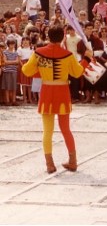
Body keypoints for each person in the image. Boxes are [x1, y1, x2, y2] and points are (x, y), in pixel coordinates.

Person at [22, 25, 91, 174]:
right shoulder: (67, 54)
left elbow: (26, 70)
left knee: (47, 131)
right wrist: (87, 59)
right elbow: (78, 72)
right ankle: (73, 161)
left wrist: (41, 70)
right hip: (62, 93)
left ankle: (49, 164)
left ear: (48, 36)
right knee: (66, 129)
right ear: (63, 37)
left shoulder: (38, 53)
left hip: (47, 92)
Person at [2, 38, 20, 106]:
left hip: (14, 71)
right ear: (8, 45)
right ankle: (7, 100)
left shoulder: (16, 53)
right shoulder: (5, 52)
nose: (12, 45)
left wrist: (10, 62)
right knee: (7, 86)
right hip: (7, 71)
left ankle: (13, 100)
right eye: (11, 44)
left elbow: (17, 61)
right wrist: (13, 62)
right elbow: (5, 61)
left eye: (13, 44)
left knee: (13, 86)